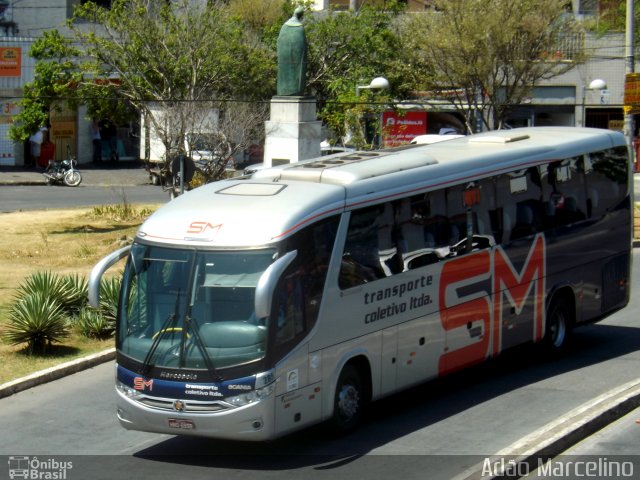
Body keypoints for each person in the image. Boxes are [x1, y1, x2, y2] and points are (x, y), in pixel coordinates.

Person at [276, 7, 307, 96]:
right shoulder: (300, 28)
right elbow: (303, 47)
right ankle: (294, 91)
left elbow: (279, 42)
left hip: (284, 59)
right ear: (301, 16)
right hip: (295, 60)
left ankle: (284, 91)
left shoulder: (284, 27)